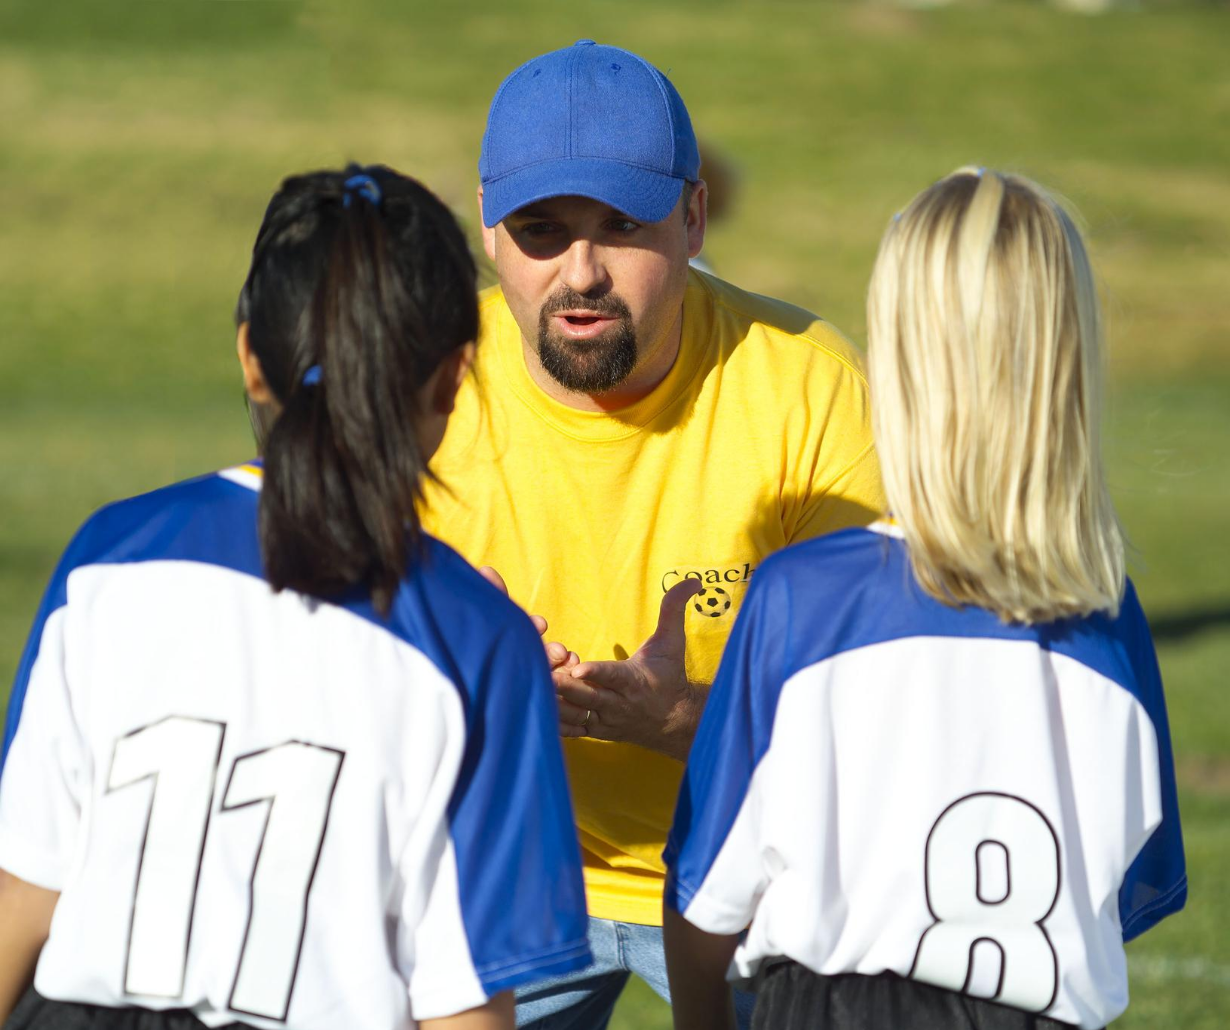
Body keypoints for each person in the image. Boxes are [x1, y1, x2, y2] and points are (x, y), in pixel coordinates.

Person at [0, 164, 591, 1030]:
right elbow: (463, 1003)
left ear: (250, 355)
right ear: (453, 380)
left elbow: (22, 889)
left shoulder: (111, 558)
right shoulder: (478, 641)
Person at [419, 40, 885, 1028]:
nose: (581, 272)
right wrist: (468, 694)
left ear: (695, 217)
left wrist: (699, 724)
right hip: (503, 866)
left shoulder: (812, 385)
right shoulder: (421, 384)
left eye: (622, 226)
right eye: (543, 230)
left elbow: (885, 723)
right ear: (488, 227)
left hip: (752, 876)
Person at [662, 168, 1187, 1030]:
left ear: (902, 362)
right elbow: (1129, 888)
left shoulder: (808, 600)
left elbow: (704, 895)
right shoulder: (1110, 619)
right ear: (1069, 365)